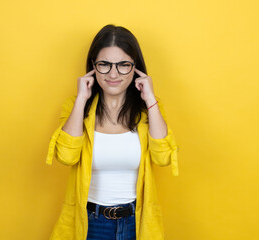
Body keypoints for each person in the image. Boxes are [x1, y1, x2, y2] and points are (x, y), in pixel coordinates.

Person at [46, 24, 179, 240]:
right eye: (104, 64)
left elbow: (163, 157)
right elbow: (66, 156)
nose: (114, 74)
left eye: (124, 65)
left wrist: (151, 99)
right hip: (90, 223)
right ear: (93, 67)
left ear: (136, 67)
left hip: (135, 222)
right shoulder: (76, 107)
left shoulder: (149, 111)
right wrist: (81, 99)